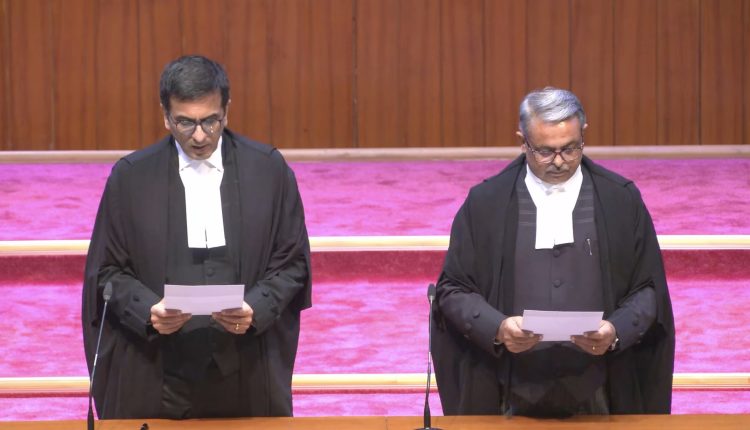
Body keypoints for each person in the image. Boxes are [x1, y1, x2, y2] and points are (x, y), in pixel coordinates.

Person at [82, 55, 311, 419]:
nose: (200, 136)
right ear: (165, 115)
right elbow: (107, 272)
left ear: (227, 111)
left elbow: (293, 262)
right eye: (185, 122)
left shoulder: (268, 171)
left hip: (246, 370)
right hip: (159, 371)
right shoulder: (131, 178)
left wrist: (257, 307)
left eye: (210, 120)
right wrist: (147, 311)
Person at [431, 87, 675, 417]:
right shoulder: (487, 203)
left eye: (570, 149)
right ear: (523, 142)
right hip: (508, 386)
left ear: (583, 135)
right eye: (545, 151)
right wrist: (498, 328)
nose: (559, 162)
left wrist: (615, 331)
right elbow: (453, 289)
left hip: (599, 387)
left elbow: (648, 289)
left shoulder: (620, 200)